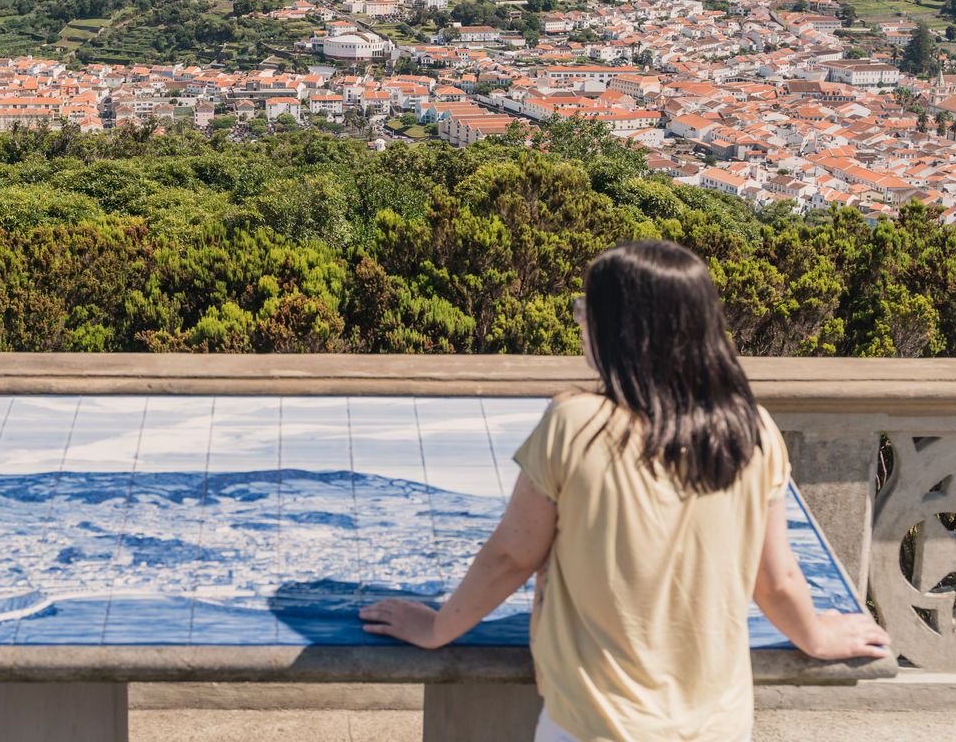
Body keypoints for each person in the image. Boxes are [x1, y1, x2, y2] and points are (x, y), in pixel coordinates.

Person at [360, 240, 889, 742]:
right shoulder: (754, 430)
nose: (580, 321)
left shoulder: (575, 423)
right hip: (717, 724)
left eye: (585, 309)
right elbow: (775, 579)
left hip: (595, 721)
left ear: (620, 329)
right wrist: (816, 637)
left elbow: (511, 557)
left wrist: (436, 627)